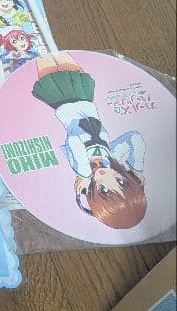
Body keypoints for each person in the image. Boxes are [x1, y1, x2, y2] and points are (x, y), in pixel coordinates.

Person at [32, 52, 146, 229]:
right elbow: (135, 138)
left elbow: (74, 141)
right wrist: (137, 169)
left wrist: (85, 174)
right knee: (62, 56)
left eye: (104, 190)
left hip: (62, 99)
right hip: (85, 98)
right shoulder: (111, 157)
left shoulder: (81, 166)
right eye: (121, 182)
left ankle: (36, 50)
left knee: (43, 58)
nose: (107, 178)